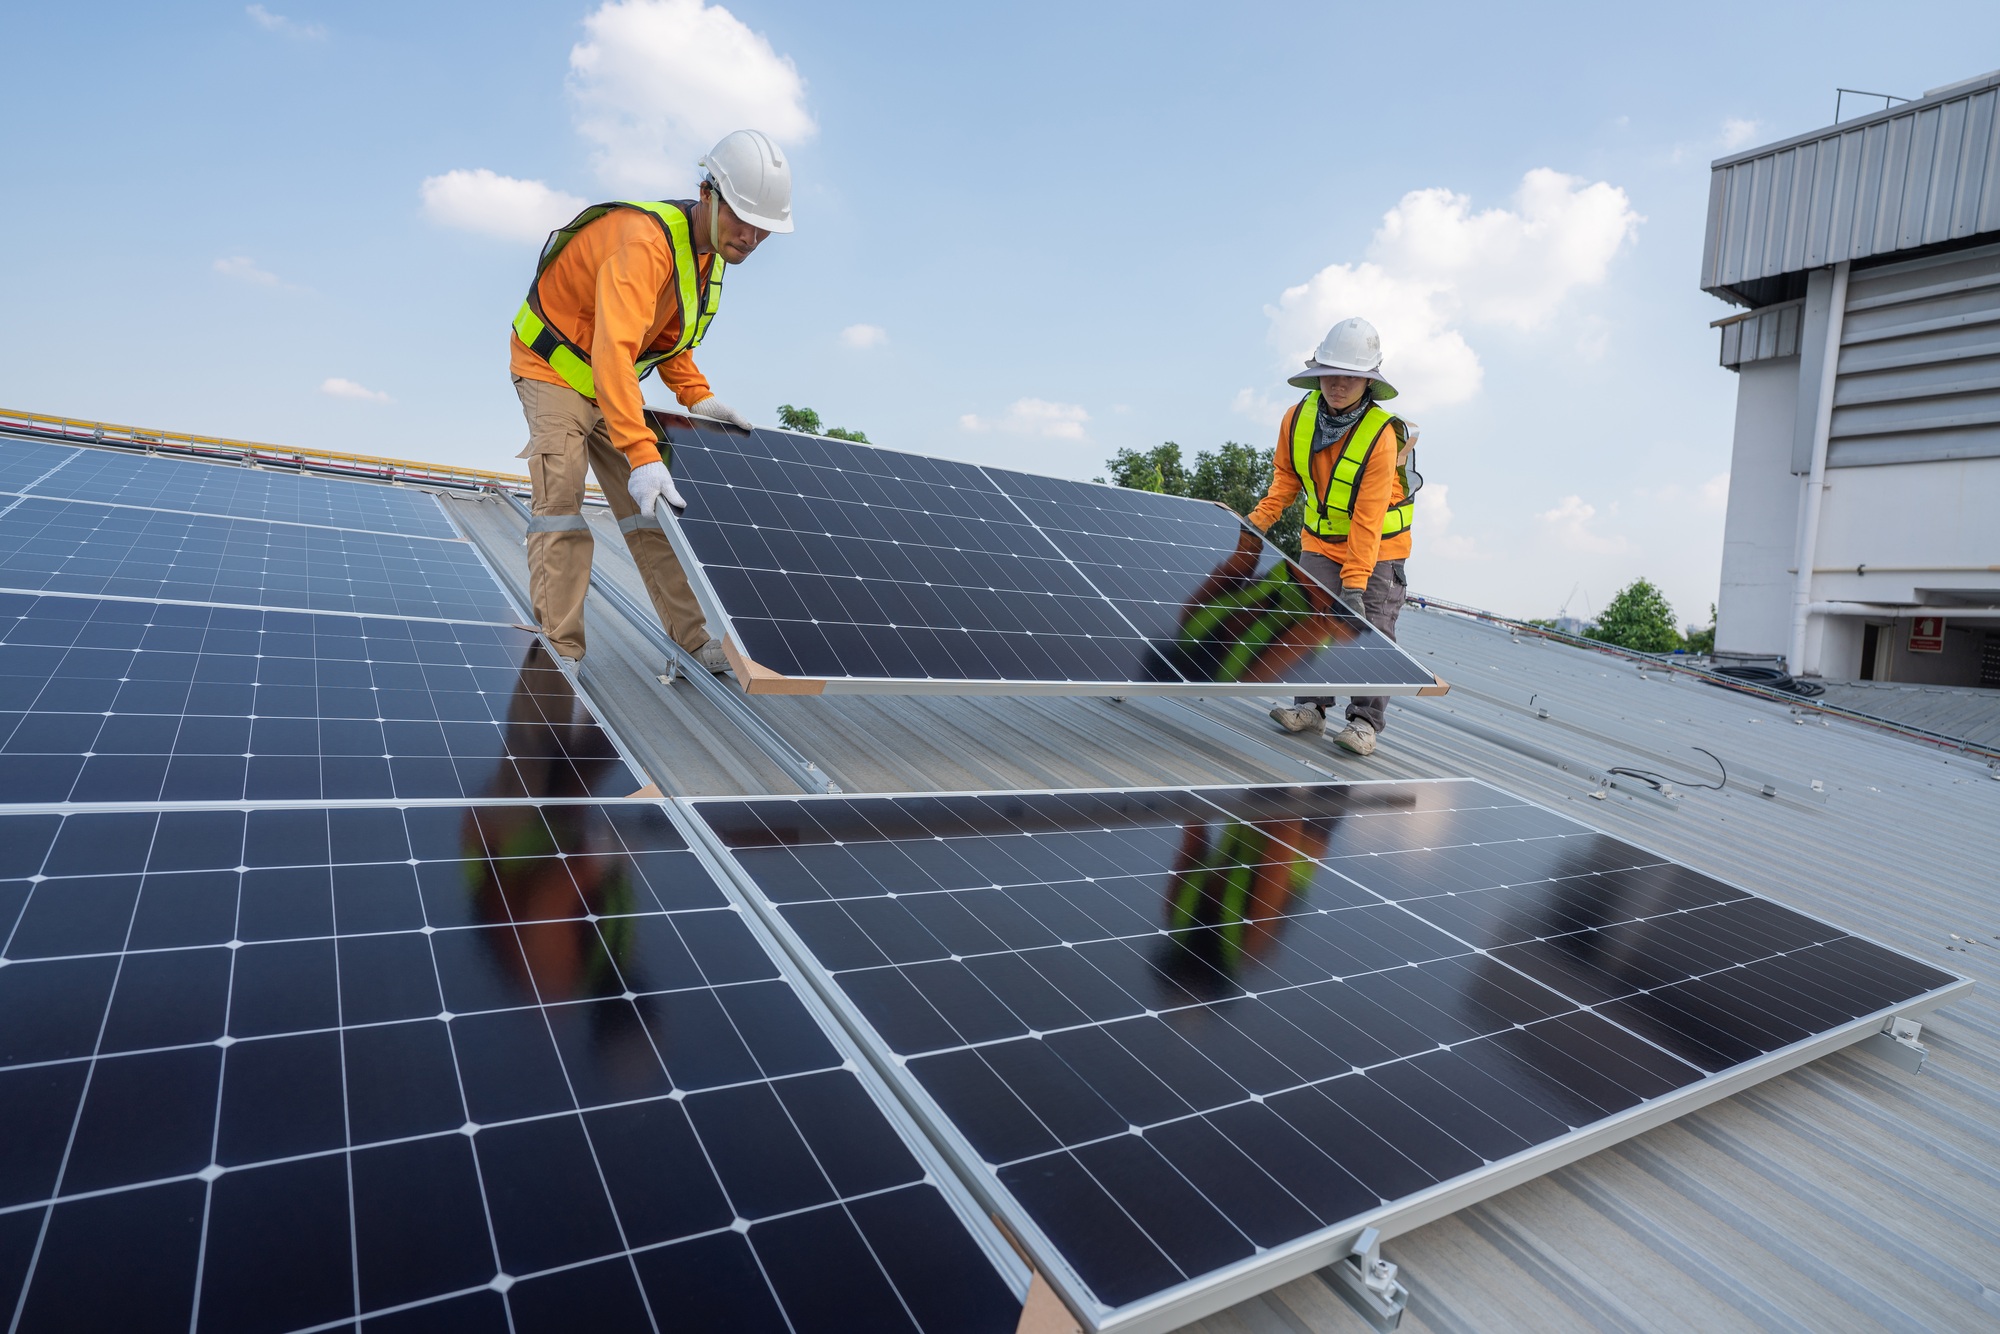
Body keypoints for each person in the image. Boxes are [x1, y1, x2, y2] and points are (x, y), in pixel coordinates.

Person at [508, 128, 793, 671]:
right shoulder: (643, 241)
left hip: (609, 383)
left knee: (653, 512)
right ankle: (561, 654)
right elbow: (614, 350)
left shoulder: (706, 260)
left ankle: (693, 642)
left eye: (766, 227)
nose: (752, 236)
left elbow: (666, 343)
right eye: (743, 217)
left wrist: (698, 397)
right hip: (552, 371)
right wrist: (641, 452)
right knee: (562, 508)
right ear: (708, 194)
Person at [1244, 317, 1417, 757]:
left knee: (1372, 628)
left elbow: (1368, 516)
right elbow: (1285, 479)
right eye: (1330, 374)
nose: (1337, 385)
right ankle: (1311, 707)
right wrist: (1255, 523)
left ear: (1368, 382)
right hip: (1320, 542)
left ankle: (1364, 723)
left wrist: (1355, 583)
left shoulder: (1381, 435)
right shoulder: (1297, 417)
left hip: (1377, 549)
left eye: (1350, 377)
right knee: (1309, 619)